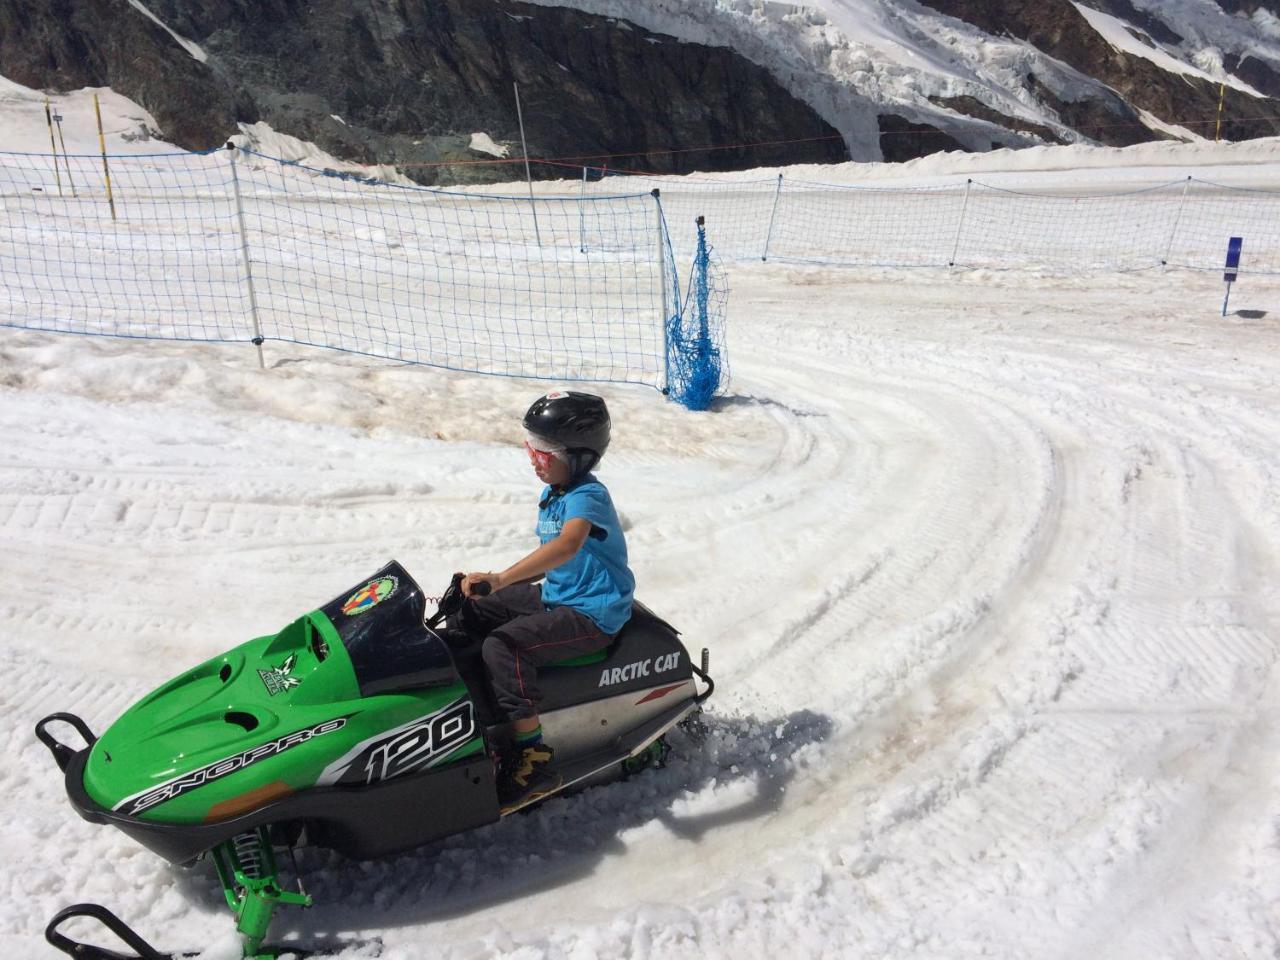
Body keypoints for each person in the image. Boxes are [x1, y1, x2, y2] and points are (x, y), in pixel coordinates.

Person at [457, 391, 634, 812]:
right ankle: (466, 696)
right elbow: (553, 561)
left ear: (580, 456)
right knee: (472, 608)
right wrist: (492, 585)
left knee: (504, 645)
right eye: (530, 447)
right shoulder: (554, 493)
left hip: (592, 613)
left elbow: (568, 545)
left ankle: (532, 757)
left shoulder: (587, 497)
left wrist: (501, 579)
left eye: (544, 451)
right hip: (560, 597)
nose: (534, 458)